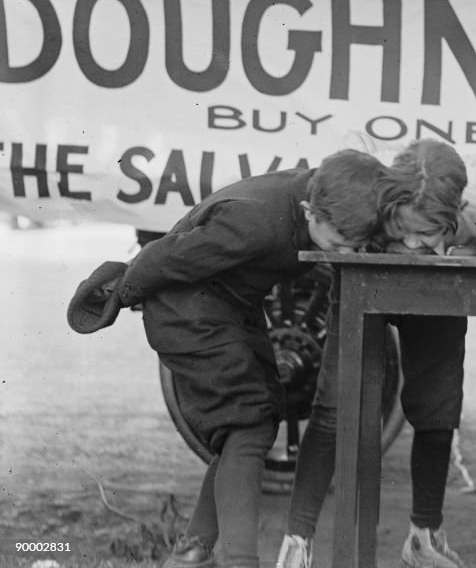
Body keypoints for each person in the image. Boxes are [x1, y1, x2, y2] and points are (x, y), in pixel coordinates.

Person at [79, 150, 387, 568]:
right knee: (246, 423)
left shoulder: (324, 197)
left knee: (261, 418)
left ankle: (193, 550)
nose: (344, 254)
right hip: (185, 311)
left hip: (232, 307)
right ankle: (239, 560)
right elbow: (169, 257)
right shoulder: (255, 225)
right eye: (338, 244)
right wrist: (118, 292)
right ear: (308, 211)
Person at [277, 139, 476, 568]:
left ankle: (423, 537)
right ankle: (296, 542)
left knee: (437, 407)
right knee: (335, 406)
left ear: (452, 217)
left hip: (437, 297)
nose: (410, 243)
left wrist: (462, 254)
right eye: (400, 229)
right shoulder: (370, 216)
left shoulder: (471, 226)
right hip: (363, 290)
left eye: (426, 233)